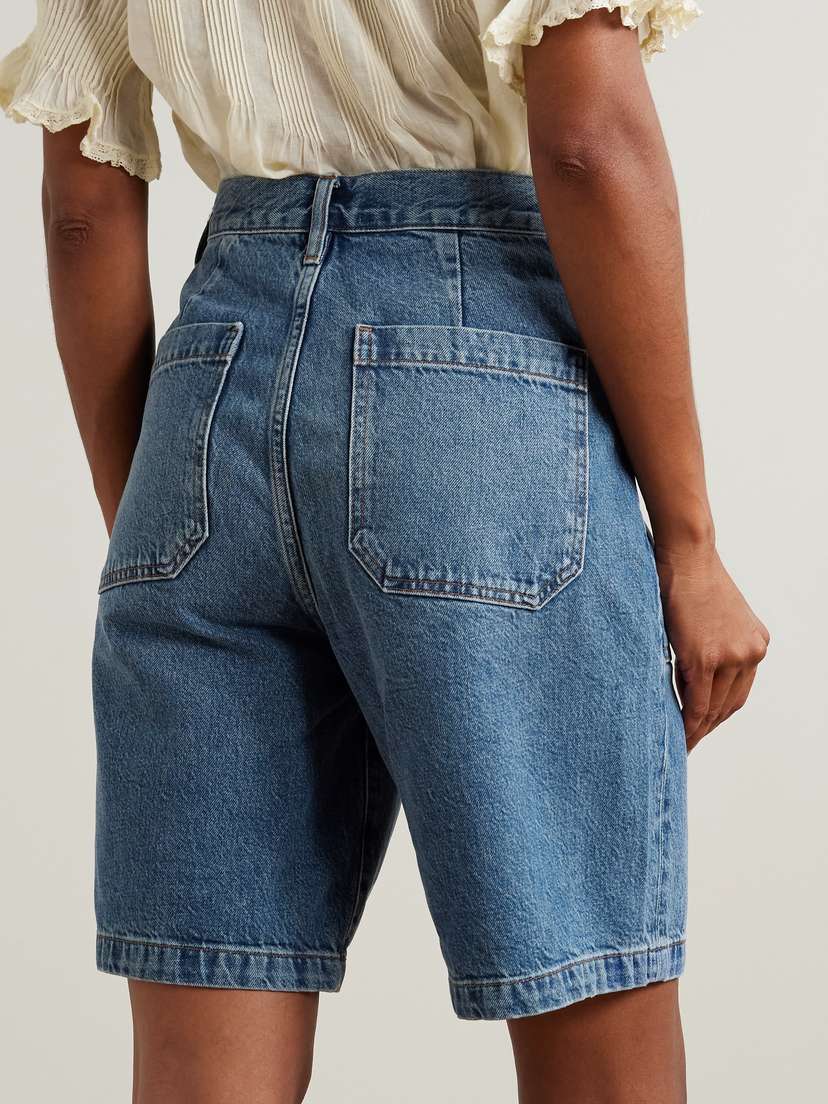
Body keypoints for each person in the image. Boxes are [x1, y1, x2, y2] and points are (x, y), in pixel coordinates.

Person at [1, 2, 769, 1101]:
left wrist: (163, 529)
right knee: (590, 1002)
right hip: (472, 367)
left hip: (211, 382)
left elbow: (82, 205)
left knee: (200, 1045)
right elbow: (588, 141)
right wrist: (691, 543)